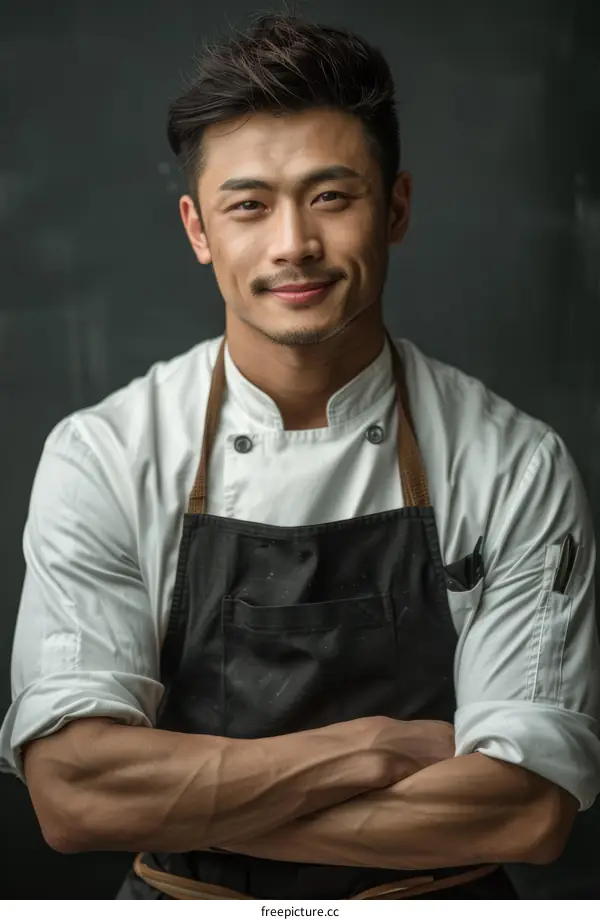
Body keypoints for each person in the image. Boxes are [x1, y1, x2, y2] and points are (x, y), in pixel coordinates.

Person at [1, 11, 599, 901]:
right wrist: (370, 746)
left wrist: (174, 796)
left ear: (393, 208)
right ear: (199, 229)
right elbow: (75, 795)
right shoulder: (104, 455)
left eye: (331, 196)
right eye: (248, 204)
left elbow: (523, 813)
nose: (293, 245)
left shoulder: (513, 463)